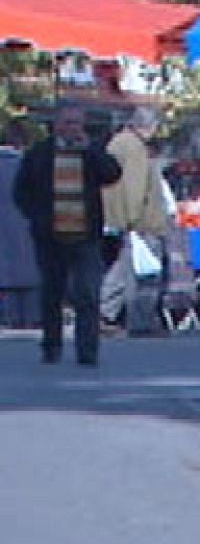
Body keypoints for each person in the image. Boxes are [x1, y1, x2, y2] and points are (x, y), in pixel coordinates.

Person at [11, 102, 123, 365]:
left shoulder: (91, 152)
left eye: (77, 123)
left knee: (87, 293)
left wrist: (91, 151)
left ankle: (87, 351)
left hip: (85, 234)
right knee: (52, 293)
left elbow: (113, 174)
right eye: (68, 123)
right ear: (57, 125)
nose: (74, 128)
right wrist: (37, 218)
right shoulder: (40, 153)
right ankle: (51, 346)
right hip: (50, 235)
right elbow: (21, 191)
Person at [100, 106, 170, 334]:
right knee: (145, 274)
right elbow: (135, 186)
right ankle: (140, 322)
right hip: (143, 221)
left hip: (127, 220)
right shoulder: (134, 148)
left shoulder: (119, 143)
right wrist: (133, 218)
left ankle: (105, 313)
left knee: (125, 270)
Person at [0, 119, 41, 329]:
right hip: (28, 229)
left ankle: (8, 318)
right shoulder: (30, 166)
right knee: (31, 272)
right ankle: (32, 319)